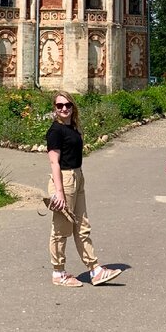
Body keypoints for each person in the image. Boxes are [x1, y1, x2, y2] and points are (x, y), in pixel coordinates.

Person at [46, 91, 122, 287]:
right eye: (59, 105)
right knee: (61, 230)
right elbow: (54, 162)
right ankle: (58, 273)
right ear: (54, 109)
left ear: (73, 107)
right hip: (63, 180)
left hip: (77, 177)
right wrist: (59, 192)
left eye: (67, 105)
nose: (64, 108)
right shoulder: (55, 131)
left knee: (82, 227)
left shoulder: (72, 127)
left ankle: (95, 270)